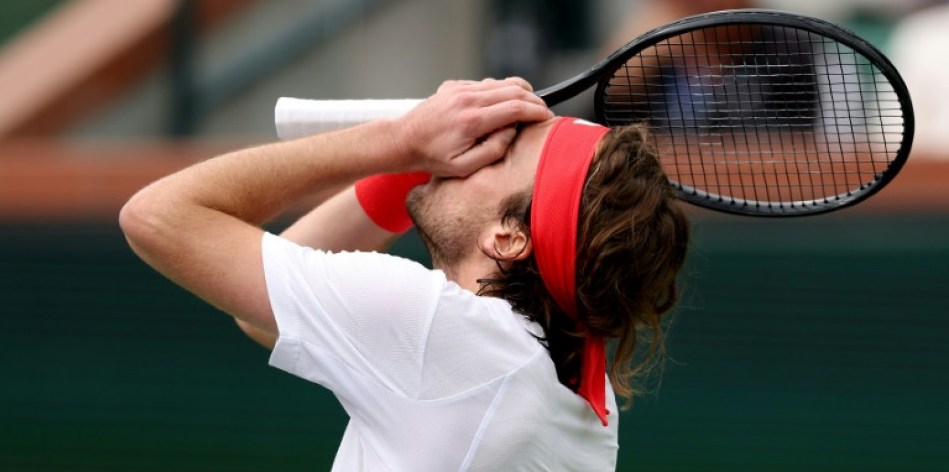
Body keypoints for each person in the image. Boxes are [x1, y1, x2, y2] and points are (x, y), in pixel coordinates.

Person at [119, 78, 690, 470]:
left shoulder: (441, 331)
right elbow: (258, 317)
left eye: (501, 152)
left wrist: (399, 141)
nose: (477, 148)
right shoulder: (588, 402)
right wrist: (414, 162)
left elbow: (157, 216)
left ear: (510, 237)